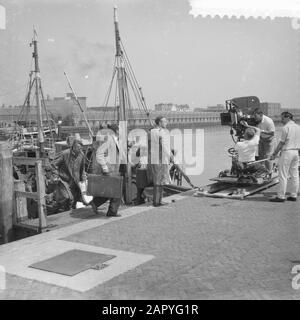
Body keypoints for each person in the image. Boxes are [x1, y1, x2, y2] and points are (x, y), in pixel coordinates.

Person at [90, 123, 122, 216]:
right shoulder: (108, 139)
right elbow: (100, 153)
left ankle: (95, 203)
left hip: (114, 169)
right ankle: (112, 211)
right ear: (116, 131)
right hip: (109, 169)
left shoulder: (116, 140)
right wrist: (104, 167)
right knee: (116, 190)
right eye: (120, 130)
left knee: (110, 190)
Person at [269, 112, 300, 202]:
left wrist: (274, 154)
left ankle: (281, 196)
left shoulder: (286, 128)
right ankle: (293, 195)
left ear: (287, 117)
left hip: (287, 152)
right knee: (295, 174)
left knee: (283, 175)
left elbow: (281, 143)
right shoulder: (299, 127)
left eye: (282, 118)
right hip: (296, 152)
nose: (281, 120)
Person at [51, 138, 86, 209]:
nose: (80, 150)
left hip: (75, 181)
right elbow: (53, 164)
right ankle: (60, 207)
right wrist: (55, 175)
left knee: (76, 199)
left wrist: (83, 179)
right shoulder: (65, 154)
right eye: (78, 148)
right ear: (73, 147)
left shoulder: (81, 155)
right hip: (64, 180)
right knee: (68, 197)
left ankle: (68, 211)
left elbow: (82, 169)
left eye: (81, 148)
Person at [148, 116, 173, 206]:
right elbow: (165, 146)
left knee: (157, 180)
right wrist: (171, 156)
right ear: (159, 123)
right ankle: (157, 201)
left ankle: (157, 200)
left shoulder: (151, 132)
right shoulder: (162, 132)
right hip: (161, 159)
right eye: (164, 121)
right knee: (160, 181)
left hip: (153, 159)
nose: (166, 123)